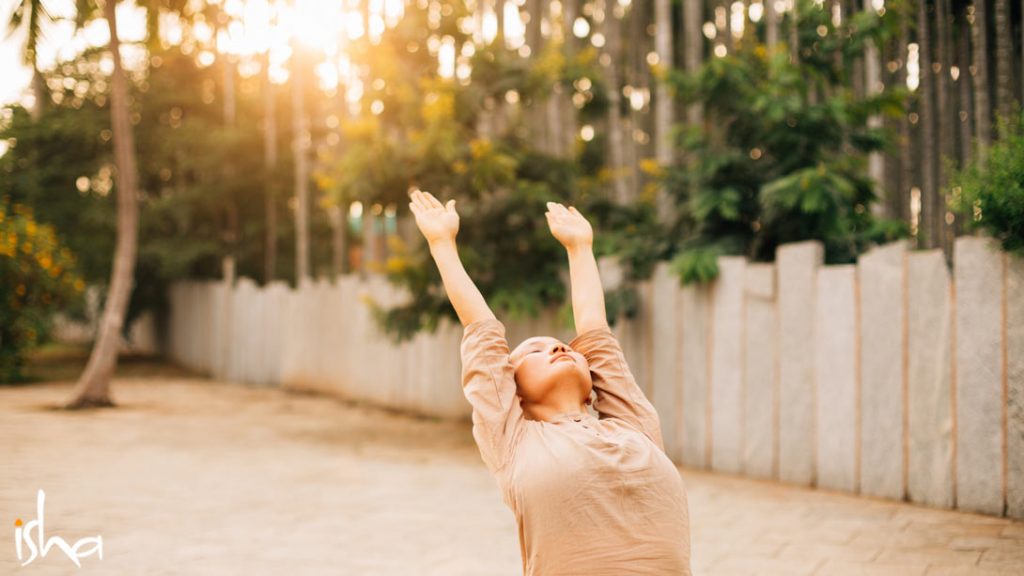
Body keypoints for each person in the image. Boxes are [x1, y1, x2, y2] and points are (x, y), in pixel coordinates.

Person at [408, 189, 692, 575]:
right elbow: (481, 330)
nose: (557, 347)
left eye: (562, 346)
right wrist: (442, 244)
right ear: (514, 391)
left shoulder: (633, 425)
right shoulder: (513, 441)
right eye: (534, 351)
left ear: (593, 383)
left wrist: (580, 248)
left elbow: (595, 332)